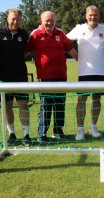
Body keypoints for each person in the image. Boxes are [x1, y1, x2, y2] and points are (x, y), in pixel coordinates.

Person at [25, 11, 78, 142]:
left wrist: (83, 63)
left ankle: (58, 131)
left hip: (61, 76)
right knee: (46, 106)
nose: (49, 23)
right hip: (45, 77)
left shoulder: (60, 33)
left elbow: (70, 50)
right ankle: (42, 133)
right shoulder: (36, 34)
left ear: (55, 20)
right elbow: (26, 51)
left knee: (60, 105)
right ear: (41, 21)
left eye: (52, 20)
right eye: (47, 20)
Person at [67, 5, 104, 141]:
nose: (93, 17)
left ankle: (93, 126)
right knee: (82, 99)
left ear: (99, 16)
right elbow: (64, 41)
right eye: (90, 15)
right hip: (84, 72)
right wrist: (77, 57)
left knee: (96, 99)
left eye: (95, 15)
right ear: (86, 16)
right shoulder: (79, 29)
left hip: (100, 71)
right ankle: (80, 129)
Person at [0, 8, 31, 146]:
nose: (15, 21)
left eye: (18, 19)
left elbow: (27, 50)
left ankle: (26, 134)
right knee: (7, 106)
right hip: (3, 77)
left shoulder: (24, 34)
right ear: (7, 19)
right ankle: (12, 134)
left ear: (21, 20)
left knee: (23, 105)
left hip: (20, 75)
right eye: (13, 19)